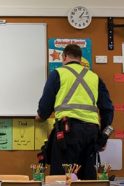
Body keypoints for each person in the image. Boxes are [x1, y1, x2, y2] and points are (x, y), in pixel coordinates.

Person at [35, 44, 114, 180]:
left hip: (66, 133)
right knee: (87, 176)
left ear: (64, 56)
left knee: (62, 177)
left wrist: (41, 116)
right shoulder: (94, 77)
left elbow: (45, 106)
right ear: (80, 58)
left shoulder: (58, 74)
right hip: (91, 133)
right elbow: (107, 109)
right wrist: (103, 137)